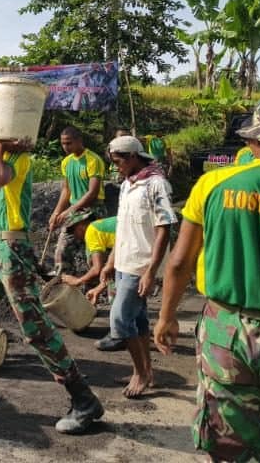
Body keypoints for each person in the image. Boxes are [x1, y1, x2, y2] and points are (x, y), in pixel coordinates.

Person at [154, 94, 260, 462]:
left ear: (254, 139)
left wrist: (166, 316)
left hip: (225, 332)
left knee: (229, 447)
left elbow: (179, 262)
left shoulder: (214, 184)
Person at [0, 109, 104, 435]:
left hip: (12, 251)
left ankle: (84, 401)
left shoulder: (21, 159)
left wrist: (1, 144)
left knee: (36, 330)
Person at [99, 135, 175, 396]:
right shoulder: (127, 185)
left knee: (119, 320)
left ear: (132, 157)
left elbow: (164, 228)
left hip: (141, 264)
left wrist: (151, 271)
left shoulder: (157, 184)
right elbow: (122, 227)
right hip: (123, 261)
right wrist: (110, 262)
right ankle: (147, 371)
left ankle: (139, 373)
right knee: (138, 319)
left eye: (118, 161)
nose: (116, 166)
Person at [49, 126, 106, 274]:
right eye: (63, 143)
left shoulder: (93, 160)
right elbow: (66, 190)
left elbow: (92, 193)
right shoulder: (66, 162)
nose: (65, 147)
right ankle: (64, 283)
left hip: (92, 209)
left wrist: (68, 211)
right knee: (61, 250)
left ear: (79, 141)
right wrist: (56, 213)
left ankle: (93, 286)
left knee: (93, 252)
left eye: (69, 143)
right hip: (75, 211)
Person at [60, 215, 117, 306]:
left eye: (73, 231)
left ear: (81, 226)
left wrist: (77, 281)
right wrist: (99, 288)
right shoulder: (101, 228)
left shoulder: (91, 231)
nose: (75, 236)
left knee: (116, 303)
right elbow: (110, 267)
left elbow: (97, 268)